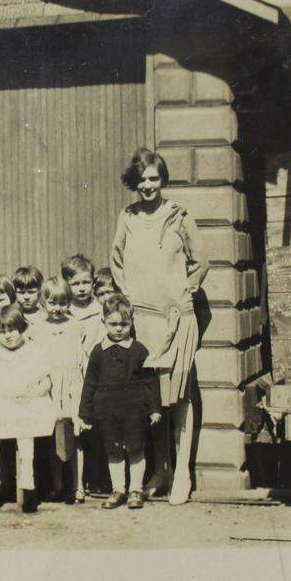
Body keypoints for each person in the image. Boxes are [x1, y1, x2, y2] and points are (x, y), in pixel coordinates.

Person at [110, 147, 209, 504]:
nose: (148, 185)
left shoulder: (179, 217)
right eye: (141, 180)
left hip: (175, 319)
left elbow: (201, 261)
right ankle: (161, 469)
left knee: (180, 395)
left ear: (162, 180)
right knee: (151, 397)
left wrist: (185, 292)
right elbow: (117, 263)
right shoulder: (128, 217)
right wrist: (130, 299)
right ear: (134, 183)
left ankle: (182, 472)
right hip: (142, 320)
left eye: (154, 178)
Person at [79, 294, 162, 510]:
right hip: (106, 410)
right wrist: (85, 413)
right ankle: (119, 489)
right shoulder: (98, 352)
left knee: (136, 449)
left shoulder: (139, 350)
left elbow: (150, 381)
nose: (118, 329)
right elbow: (90, 383)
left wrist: (154, 409)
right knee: (113, 450)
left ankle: (136, 489)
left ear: (132, 322)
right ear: (104, 322)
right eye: (113, 324)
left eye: (124, 324)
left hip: (134, 410)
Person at [0, 305, 56, 512]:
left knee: (25, 425)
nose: (7, 336)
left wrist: (32, 394)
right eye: (2, 332)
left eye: (12, 330)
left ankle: (27, 471)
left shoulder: (34, 351)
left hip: (28, 400)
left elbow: (46, 382)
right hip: (2, 399)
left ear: (22, 329)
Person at [32, 276, 89, 503]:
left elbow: (82, 358)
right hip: (50, 386)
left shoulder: (76, 326)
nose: (57, 308)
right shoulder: (37, 329)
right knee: (54, 436)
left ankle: (78, 484)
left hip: (72, 385)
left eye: (63, 303)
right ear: (43, 302)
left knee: (76, 437)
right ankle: (57, 485)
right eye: (52, 303)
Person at [60, 254, 101, 328]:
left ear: (93, 282)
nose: (81, 289)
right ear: (66, 284)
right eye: (75, 284)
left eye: (86, 282)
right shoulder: (63, 310)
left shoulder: (100, 308)